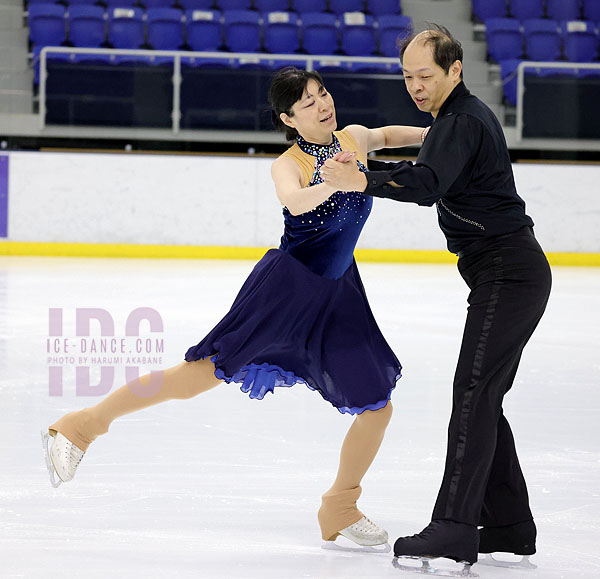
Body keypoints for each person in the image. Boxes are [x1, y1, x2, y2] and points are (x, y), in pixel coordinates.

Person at [43, 66, 428, 551]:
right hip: (286, 291)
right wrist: (336, 182)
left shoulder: (351, 139)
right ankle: (82, 425)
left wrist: (437, 132)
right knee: (196, 376)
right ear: (289, 118)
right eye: (307, 103)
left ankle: (340, 504)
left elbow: (386, 134)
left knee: (377, 404)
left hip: (338, 295)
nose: (323, 104)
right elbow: (295, 202)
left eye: (323, 93)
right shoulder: (287, 164)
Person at [320, 25, 552, 571]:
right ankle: (510, 526)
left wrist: (357, 178)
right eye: (407, 76)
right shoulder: (451, 122)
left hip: (507, 272)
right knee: (483, 395)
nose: (416, 86)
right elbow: (427, 173)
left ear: (455, 71)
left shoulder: (463, 120)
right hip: (505, 272)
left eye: (426, 75)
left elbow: (426, 186)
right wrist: (365, 168)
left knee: (472, 392)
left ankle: (453, 528)